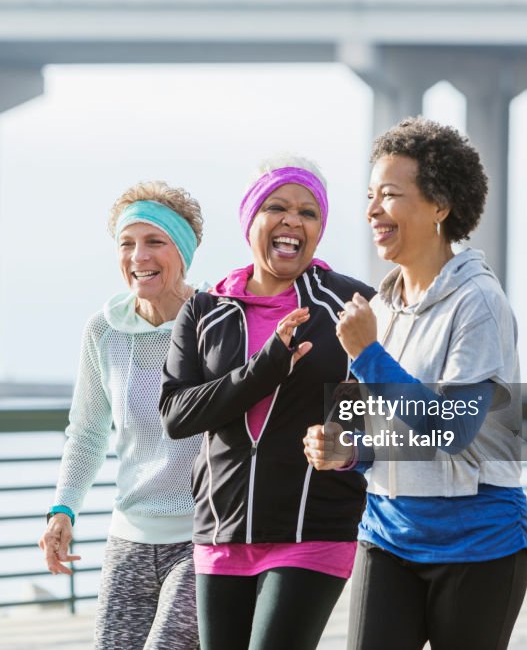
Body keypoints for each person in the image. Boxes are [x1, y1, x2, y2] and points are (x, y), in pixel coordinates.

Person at [305, 117, 527, 650]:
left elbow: (452, 430)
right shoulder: (380, 308)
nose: (371, 211)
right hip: (387, 537)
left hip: (477, 547)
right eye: (369, 196)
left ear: (439, 206)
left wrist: (366, 353)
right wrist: (350, 452)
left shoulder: (479, 303)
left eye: (389, 195)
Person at [160, 155, 374, 650]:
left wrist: (354, 448)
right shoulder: (205, 309)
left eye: (309, 212)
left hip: (313, 529)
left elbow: (396, 416)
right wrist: (267, 366)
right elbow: (176, 415)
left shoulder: (354, 306)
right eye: (277, 206)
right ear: (250, 219)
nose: (293, 221)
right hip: (221, 532)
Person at [39, 181, 205, 650]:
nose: (139, 256)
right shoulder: (104, 330)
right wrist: (62, 509)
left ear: (183, 251)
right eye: (127, 244)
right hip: (128, 537)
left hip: (202, 537)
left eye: (155, 241)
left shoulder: (216, 321)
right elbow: (87, 431)